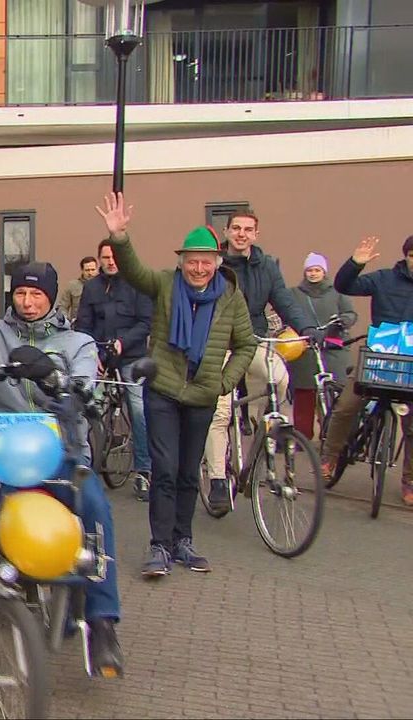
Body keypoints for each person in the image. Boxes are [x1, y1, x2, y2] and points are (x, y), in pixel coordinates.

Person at [0, 236, 125, 677]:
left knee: (95, 508)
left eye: (36, 294)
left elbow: (86, 387)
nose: (27, 301)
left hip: (58, 453)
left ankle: (102, 622)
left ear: (51, 297)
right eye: (20, 292)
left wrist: (56, 380)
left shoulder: (77, 341)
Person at [96, 194, 255, 578]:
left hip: (202, 395)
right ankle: (159, 545)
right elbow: (135, 271)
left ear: (217, 263)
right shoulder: (166, 284)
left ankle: (183, 541)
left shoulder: (231, 298)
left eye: (205, 262)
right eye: (192, 261)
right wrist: (119, 236)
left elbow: (246, 344)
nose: (198, 268)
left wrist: (225, 382)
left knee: (187, 473)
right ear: (182, 262)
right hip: (164, 392)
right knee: (165, 470)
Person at [203, 211, 324, 512]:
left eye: (248, 229)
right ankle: (217, 479)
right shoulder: (215, 266)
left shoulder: (267, 266)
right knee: (220, 411)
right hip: (220, 344)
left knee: (279, 377)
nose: (241, 234)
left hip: (252, 339)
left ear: (256, 234)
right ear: (227, 232)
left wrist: (307, 327)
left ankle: (264, 429)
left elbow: (284, 301)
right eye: (236, 228)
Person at [321, 235, 413, 504]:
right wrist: (355, 263)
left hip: (409, 367)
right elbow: (344, 285)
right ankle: (329, 457)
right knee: (347, 405)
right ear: (406, 256)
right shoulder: (385, 279)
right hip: (377, 359)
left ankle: (409, 481)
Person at [76, 239, 155, 501]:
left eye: (114, 257)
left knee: (139, 408)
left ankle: (144, 471)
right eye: (105, 257)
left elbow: (145, 323)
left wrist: (123, 342)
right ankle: (82, 463)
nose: (110, 262)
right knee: (84, 403)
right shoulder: (91, 288)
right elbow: (83, 325)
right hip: (99, 357)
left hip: (131, 356)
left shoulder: (138, 284)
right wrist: (91, 352)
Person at [287, 253, 356, 439]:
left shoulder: (338, 292)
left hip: (333, 350)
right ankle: (302, 437)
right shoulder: (294, 294)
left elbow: (350, 313)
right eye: (309, 270)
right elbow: (286, 312)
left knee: (336, 395)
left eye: (317, 270)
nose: (313, 273)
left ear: (324, 272)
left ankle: (333, 437)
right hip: (305, 350)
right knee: (304, 394)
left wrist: (343, 321)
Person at [57, 255, 98, 320]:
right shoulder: (72, 286)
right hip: (78, 323)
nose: (90, 273)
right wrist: (65, 321)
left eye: (93, 270)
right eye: (87, 270)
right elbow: (62, 307)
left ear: (97, 269)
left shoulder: (104, 286)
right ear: (82, 270)